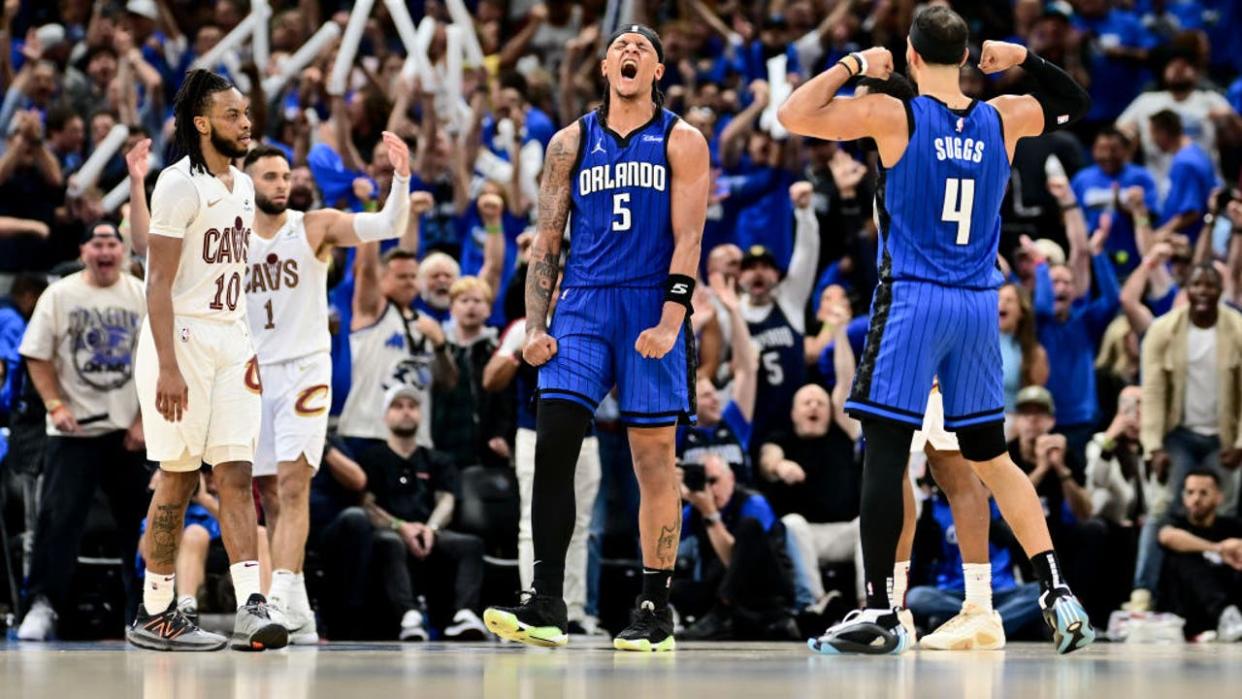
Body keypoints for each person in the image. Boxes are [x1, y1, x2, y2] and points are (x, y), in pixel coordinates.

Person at [778, 6, 1093, 654]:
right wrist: (1025, 61)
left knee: (887, 448)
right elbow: (1076, 101)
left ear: (912, 56)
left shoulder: (894, 115)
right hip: (979, 302)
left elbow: (793, 114)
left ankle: (879, 610)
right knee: (993, 458)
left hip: (915, 298)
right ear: (966, 53)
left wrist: (854, 65)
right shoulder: (1002, 117)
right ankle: (1056, 588)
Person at [483, 24, 709, 654]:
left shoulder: (683, 140)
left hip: (647, 302)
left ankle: (653, 605)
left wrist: (670, 319)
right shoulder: (569, 142)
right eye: (621, 48)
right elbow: (547, 241)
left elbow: (690, 240)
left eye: (643, 49)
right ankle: (547, 601)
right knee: (553, 444)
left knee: (652, 461)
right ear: (605, 66)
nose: (631, 52)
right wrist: (533, 327)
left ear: (658, 70)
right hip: (581, 304)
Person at [126, 69, 285, 652]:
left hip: (230, 337)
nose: (246, 124)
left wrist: (247, 345)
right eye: (233, 116)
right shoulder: (176, 184)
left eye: (246, 115)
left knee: (237, 473)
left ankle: (251, 604)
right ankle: (155, 609)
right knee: (177, 475)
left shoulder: (242, 185)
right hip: (182, 339)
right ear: (202, 124)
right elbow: (157, 283)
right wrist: (167, 364)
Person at [235, 138, 412, 643]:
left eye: (285, 176)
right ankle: (300, 609)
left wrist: (397, 181)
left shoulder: (314, 226)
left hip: (305, 369)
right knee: (267, 489)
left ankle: (283, 594)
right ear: (247, 183)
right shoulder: (229, 236)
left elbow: (388, 226)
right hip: (252, 371)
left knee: (294, 481)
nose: (281, 184)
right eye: (269, 176)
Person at [15, 222, 147, 641]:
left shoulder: (141, 294)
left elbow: (162, 359)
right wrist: (55, 404)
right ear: (83, 250)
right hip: (73, 432)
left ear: (123, 251)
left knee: (140, 524)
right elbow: (36, 355)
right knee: (59, 522)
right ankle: (42, 605)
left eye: (113, 244)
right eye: (98, 244)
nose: (106, 251)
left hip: (128, 431)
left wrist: (144, 420)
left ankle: (144, 611)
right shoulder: (60, 294)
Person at [359, 385, 488, 641]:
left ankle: (464, 614)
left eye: (412, 406)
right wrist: (398, 526)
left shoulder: (437, 459)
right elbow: (366, 504)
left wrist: (431, 528)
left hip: (429, 533)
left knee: (470, 544)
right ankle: (409, 616)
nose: (406, 412)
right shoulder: (372, 458)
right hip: (390, 532)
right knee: (389, 543)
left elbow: (447, 501)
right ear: (385, 416)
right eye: (398, 406)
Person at [674, 454, 799, 641]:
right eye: (702, 482)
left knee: (749, 527)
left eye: (714, 481)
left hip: (765, 587)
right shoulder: (695, 508)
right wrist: (669, 494)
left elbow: (742, 564)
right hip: (721, 585)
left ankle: (723, 611)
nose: (709, 489)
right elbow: (663, 539)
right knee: (675, 589)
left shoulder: (753, 503)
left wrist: (711, 515)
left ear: (731, 478)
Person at [1157, 470, 1242, 641]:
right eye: (1190, 492)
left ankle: (1231, 618)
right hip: (1187, 610)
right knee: (1185, 557)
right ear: (1183, 497)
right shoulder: (1175, 522)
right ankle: (1226, 614)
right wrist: (1217, 549)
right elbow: (1167, 537)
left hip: (1231, 602)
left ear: (1219, 497)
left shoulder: (1230, 526)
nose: (1196, 499)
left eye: (1203, 493)